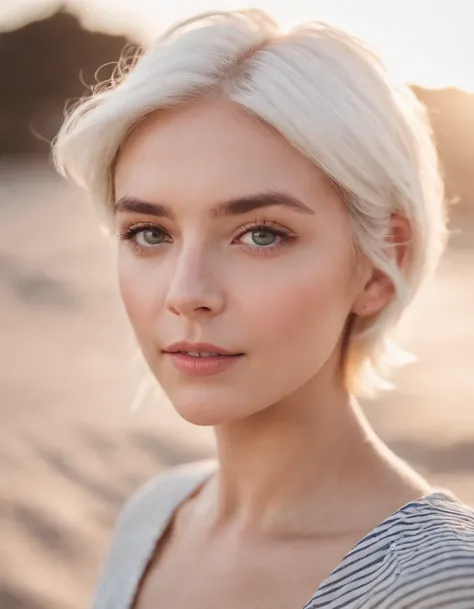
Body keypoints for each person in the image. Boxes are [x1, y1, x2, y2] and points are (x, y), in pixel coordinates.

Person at [53, 8, 474, 609]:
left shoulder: (445, 586)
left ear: (383, 265)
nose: (186, 292)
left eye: (261, 234)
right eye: (149, 232)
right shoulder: (151, 519)